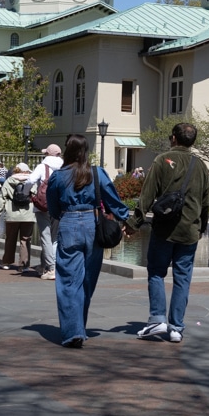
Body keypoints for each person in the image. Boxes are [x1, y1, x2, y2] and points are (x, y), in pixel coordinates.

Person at [124, 122, 209, 343]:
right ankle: (176, 327)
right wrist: (202, 228)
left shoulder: (162, 160)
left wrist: (134, 223)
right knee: (183, 279)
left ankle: (157, 319)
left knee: (156, 272)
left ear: (173, 138)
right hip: (190, 230)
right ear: (193, 142)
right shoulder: (200, 165)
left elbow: (147, 196)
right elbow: (206, 202)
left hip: (164, 229)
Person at [46, 134, 129, 348]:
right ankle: (79, 327)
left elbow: (53, 208)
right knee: (88, 280)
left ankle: (73, 331)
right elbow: (113, 201)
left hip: (69, 224)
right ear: (86, 151)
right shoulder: (97, 173)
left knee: (68, 281)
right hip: (93, 225)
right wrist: (130, 219)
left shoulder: (58, 176)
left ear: (67, 150)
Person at [25, 144, 64, 280]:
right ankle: (44, 266)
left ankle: (51, 268)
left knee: (45, 236)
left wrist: (26, 192)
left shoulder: (43, 167)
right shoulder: (64, 167)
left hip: (43, 206)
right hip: (59, 206)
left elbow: (30, 180)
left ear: (47, 154)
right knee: (53, 238)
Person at [0, 162, 35, 270]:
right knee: (25, 239)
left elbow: (2, 198)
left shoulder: (9, 181)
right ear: (26, 171)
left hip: (12, 214)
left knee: (10, 239)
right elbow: (36, 195)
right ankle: (24, 265)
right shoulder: (32, 181)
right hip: (28, 214)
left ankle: (6, 262)